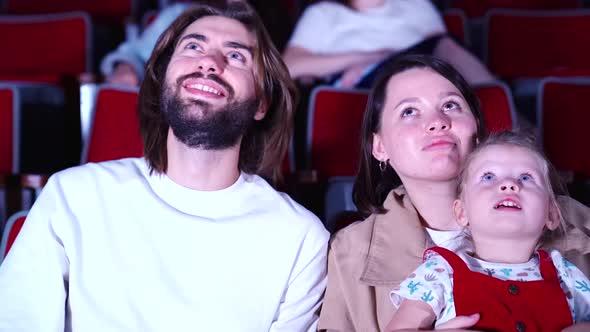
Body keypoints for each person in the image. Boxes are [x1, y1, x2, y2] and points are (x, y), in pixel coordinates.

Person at [0, 2, 329, 331]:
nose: (209, 63)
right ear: (163, 79)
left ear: (261, 103)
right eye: (193, 46)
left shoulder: (300, 238)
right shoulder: (73, 196)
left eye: (236, 56)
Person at [317, 54, 590, 331]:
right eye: (409, 111)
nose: (437, 122)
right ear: (379, 147)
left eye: (450, 105)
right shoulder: (349, 252)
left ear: (479, 132)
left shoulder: (579, 221)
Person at [386, 131, 590, 331]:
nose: (509, 185)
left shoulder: (566, 274)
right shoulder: (440, 272)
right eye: (489, 177)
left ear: (552, 215)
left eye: (526, 178)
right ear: (461, 212)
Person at [283, 0, 495, 88]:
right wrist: (366, 59)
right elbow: (290, 67)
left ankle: (506, 117)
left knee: (447, 47)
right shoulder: (322, 13)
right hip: (360, 85)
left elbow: (446, 57)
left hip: (424, 78)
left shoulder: (417, 5)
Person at [102, 0, 293, 87]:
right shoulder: (180, 13)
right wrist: (126, 68)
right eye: (194, 46)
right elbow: (133, 53)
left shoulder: (277, 21)